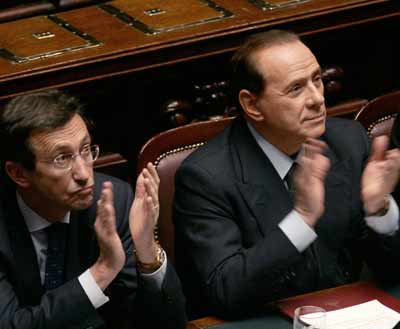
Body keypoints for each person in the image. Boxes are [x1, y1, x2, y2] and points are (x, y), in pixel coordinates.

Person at [173, 30, 400, 319]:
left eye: (316, 80)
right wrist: (302, 219)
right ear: (252, 105)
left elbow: (391, 271)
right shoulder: (205, 177)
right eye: (296, 89)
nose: (317, 98)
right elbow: (225, 292)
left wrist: (379, 211)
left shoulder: (349, 143)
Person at [0, 90, 186, 329]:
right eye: (62, 158)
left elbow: (164, 324)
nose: (84, 174)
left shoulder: (113, 202)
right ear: (18, 173)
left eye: (86, 150)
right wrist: (103, 271)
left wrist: (147, 251)